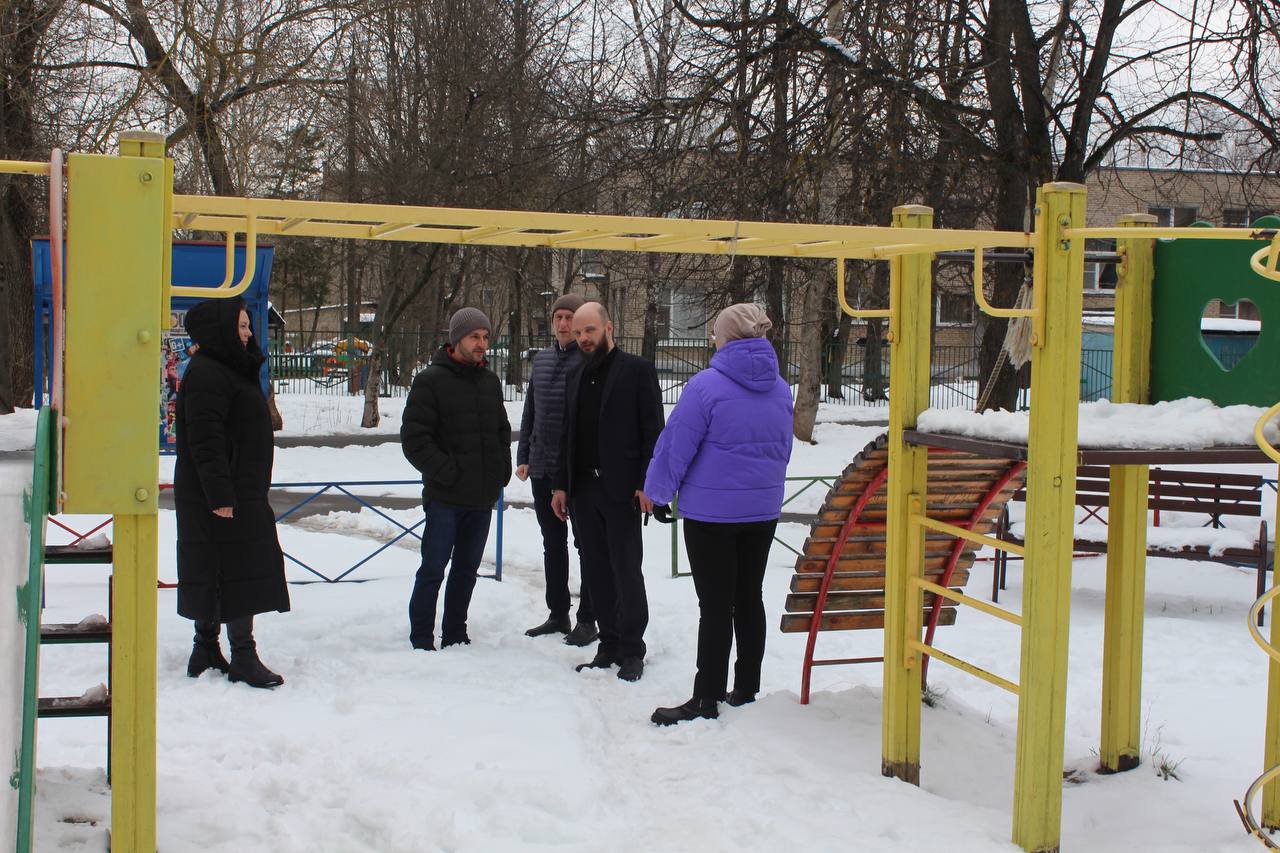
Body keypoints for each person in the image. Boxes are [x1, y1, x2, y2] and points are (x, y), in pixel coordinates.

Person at [641, 303, 793, 725]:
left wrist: (656, 493)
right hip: (761, 511)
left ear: (725, 338)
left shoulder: (705, 386)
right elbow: (782, 449)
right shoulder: (781, 387)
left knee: (715, 605)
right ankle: (745, 687)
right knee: (749, 598)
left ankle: (705, 697)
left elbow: (676, 445)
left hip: (712, 515)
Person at [174, 297, 289, 689]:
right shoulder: (210, 373)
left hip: (235, 491)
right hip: (225, 495)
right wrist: (221, 495)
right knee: (238, 569)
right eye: (240, 326)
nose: (248, 333)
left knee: (219, 567)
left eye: (247, 326)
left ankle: (205, 648)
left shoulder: (226, 368)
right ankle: (242, 655)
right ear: (220, 329)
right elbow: (205, 440)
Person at [552, 302, 664, 682]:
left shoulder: (637, 371)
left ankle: (633, 650)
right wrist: (561, 485)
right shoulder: (575, 375)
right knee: (596, 573)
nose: (583, 338)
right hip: (583, 490)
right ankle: (609, 644)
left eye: (590, 331)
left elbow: (654, 433)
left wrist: (647, 483)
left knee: (626, 572)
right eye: (579, 332)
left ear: (608, 328)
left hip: (623, 492)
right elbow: (567, 434)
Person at [402, 307, 512, 650]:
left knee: (466, 572)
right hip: (445, 498)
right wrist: (449, 473)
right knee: (433, 569)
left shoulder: (489, 381)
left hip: (480, 499)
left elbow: (500, 431)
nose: (481, 344)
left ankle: (455, 633)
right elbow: (415, 440)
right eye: (474, 337)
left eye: (485, 337)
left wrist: (500, 473)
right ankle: (421, 636)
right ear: (456, 339)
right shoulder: (430, 381)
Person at [517, 292, 598, 646]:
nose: (564, 324)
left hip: (576, 472)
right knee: (553, 543)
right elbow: (530, 410)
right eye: (559, 318)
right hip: (542, 466)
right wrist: (524, 453)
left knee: (586, 545)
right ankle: (557, 612)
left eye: (570, 318)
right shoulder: (542, 360)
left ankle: (589, 618)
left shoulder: (589, 361)